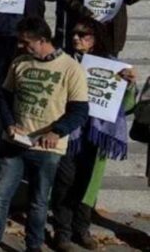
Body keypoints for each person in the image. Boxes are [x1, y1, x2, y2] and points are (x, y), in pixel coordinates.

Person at [0, 17, 89, 252]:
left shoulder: (71, 68)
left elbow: (80, 111)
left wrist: (56, 131)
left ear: (42, 40)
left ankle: (34, 245)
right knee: (0, 197)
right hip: (15, 142)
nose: (21, 46)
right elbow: (4, 98)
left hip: (47, 148)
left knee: (39, 202)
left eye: (25, 42)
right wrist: (9, 124)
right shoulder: (20, 62)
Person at [49, 17, 139, 251]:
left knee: (87, 184)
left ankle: (82, 228)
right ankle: (62, 231)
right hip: (70, 132)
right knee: (65, 181)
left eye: (83, 35)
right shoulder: (63, 61)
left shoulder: (113, 66)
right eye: (75, 34)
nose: (76, 38)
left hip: (96, 133)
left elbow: (127, 107)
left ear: (96, 40)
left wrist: (128, 85)